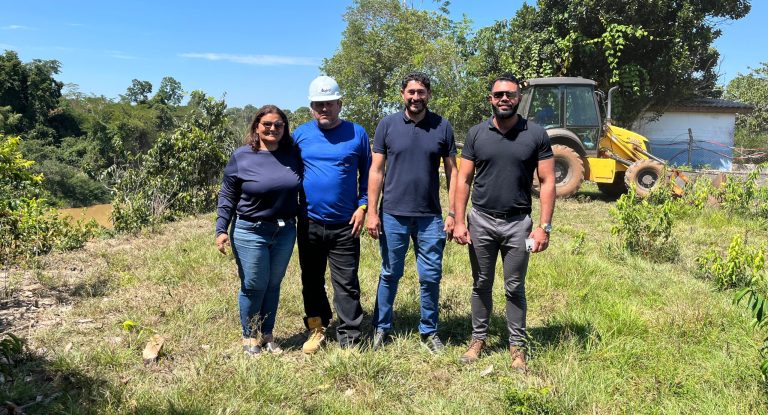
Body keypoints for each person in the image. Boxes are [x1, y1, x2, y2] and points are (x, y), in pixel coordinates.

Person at [452, 73, 555, 372]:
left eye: (509, 94)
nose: (504, 99)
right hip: (481, 221)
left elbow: (548, 181)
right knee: (481, 283)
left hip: (518, 224)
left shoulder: (535, 134)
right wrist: (460, 220)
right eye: (498, 95)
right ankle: (478, 340)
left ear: (519, 97)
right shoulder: (476, 134)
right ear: (491, 99)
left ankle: (517, 348)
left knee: (514, 287)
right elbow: (463, 179)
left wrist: (543, 227)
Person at [366, 72, 458, 354]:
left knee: (430, 275)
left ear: (428, 94)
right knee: (390, 272)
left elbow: (454, 174)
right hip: (393, 213)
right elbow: (376, 170)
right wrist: (372, 211)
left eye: (421, 92)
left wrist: (454, 212)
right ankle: (382, 327)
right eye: (411, 92)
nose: (416, 97)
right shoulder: (388, 125)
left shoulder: (442, 126)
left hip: (430, 215)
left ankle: (429, 331)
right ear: (402, 94)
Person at [293, 75, 372, 353]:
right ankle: (317, 328)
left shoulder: (357, 133)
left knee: (346, 282)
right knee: (311, 279)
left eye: (328, 103)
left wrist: (364, 207)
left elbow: (369, 175)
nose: (323, 109)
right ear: (311, 107)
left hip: (345, 224)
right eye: (318, 104)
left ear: (339, 103)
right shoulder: (300, 134)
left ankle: (350, 335)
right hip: (309, 222)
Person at [215, 105, 301, 357]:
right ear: (256, 127)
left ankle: (267, 334)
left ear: (284, 129)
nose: (273, 128)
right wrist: (221, 229)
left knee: (273, 284)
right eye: (267, 124)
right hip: (250, 230)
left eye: (278, 125)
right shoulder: (242, 156)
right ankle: (249, 335)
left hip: (285, 231)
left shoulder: (293, 155)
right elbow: (227, 196)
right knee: (254, 285)